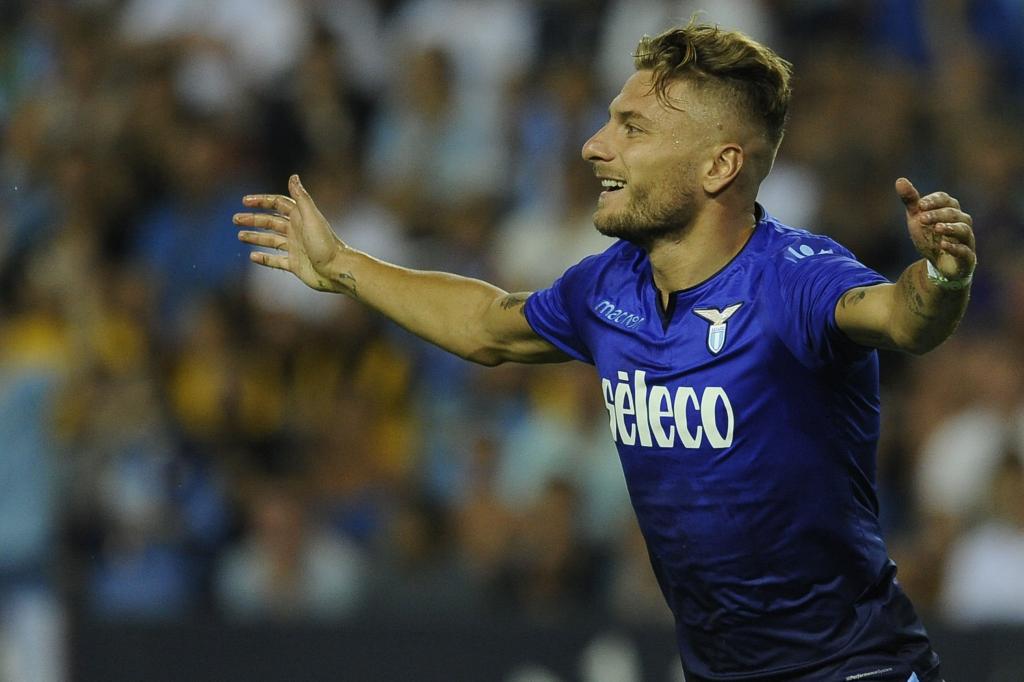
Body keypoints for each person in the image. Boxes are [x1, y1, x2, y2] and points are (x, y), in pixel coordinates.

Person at [233, 21, 975, 682]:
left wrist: (943, 275)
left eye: (632, 127)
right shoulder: (608, 286)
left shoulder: (796, 279)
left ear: (719, 167)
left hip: (853, 668)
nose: (595, 145)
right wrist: (343, 267)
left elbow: (902, 317)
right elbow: (488, 326)